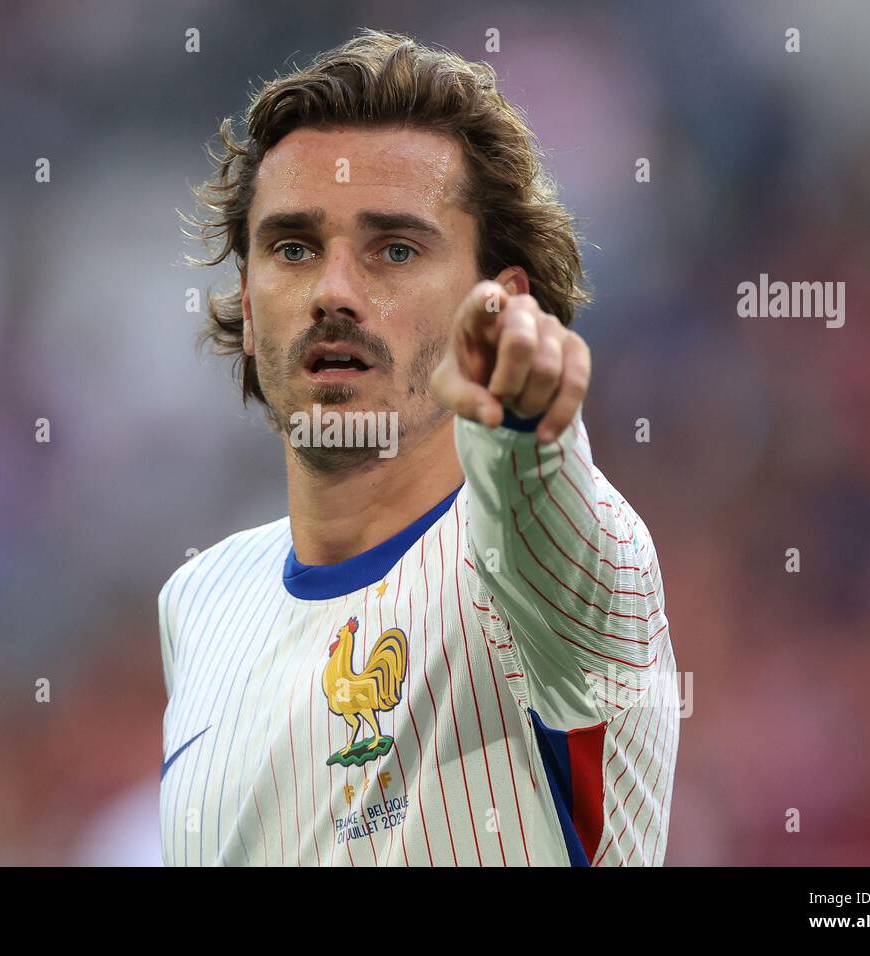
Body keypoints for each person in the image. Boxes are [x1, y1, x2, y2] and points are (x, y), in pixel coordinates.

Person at [159, 29, 678, 866]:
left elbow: (545, 513)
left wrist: (525, 420)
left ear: (500, 304)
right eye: (292, 248)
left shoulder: (566, 575)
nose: (333, 291)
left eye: (394, 250)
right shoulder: (198, 601)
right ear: (249, 312)